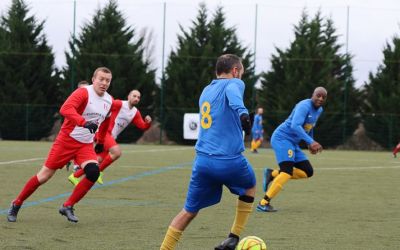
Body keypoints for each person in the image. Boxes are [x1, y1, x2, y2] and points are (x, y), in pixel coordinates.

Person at [160, 54, 256, 250]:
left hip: (202, 162)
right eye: (241, 72)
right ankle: (233, 237)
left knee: (188, 212)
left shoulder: (206, 90)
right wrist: (243, 113)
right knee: (250, 187)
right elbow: (234, 94)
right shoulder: (235, 83)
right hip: (229, 161)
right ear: (235, 71)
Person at [7, 67, 114, 223]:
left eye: (108, 80)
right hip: (66, 141)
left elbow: (106, 122)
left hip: (85, 145)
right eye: (101, 79)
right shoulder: (83, 92)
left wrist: (101, 141)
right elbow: (65, 109)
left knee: (93, 172)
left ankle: (68, 205)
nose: (104, 83)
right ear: (93, 79)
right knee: (44, 176)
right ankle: (16, 203)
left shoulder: (109, 100)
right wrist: (83, 122)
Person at [256, 87, 327, 212]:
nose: (320, 98)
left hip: (293, 143)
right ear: (313, 95)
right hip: (282, 138)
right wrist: (311, 142)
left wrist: (309, 143)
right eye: (318, 95)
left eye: (323, 97)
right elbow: (295, 125)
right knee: (286, 171)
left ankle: (271, 174)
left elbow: (309, 127)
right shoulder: (304, 106)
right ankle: (263, 202)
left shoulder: (319, 110)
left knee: (307, 171)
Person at [68, 89, 152, 185]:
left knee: (98, 160)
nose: (136, 98)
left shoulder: (135, 112)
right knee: (117, 152)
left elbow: (142, 126)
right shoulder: (119, 104)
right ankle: (98, 172)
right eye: (134, 96)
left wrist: (148, 123)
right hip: (105, 133)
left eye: (138, 97)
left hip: (111, 137)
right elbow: (106, 104)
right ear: (128, 96)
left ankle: (74, 176)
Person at [65, 80, 90, 172]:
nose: (83, 91)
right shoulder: (74, 101)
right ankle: (70, 161)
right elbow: (67, 110)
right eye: (81, 89)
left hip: (86, 128)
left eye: (86, 89)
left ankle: (76, 164)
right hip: (74, 127)